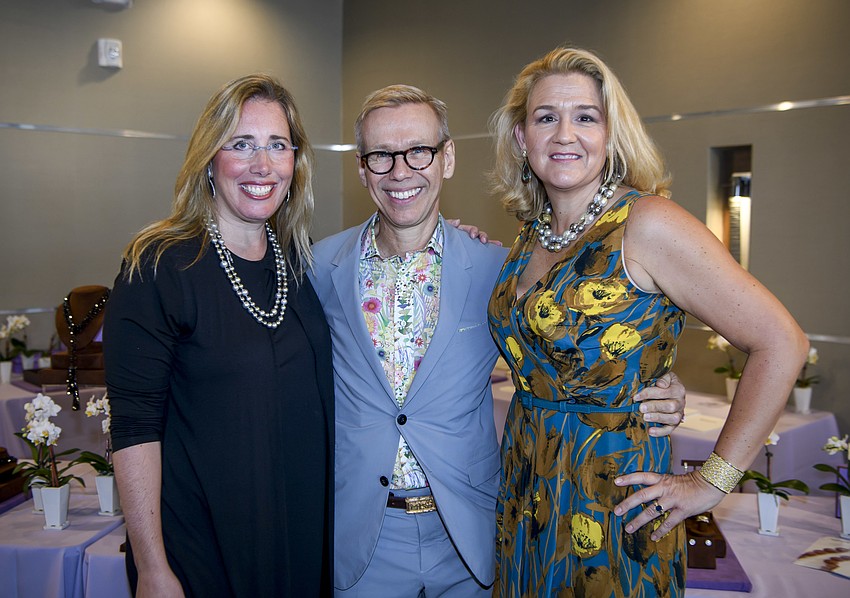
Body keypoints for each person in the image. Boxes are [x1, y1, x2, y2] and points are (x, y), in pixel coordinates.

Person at [310, 84, 687, 596]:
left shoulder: (500, 270)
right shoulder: (317, 268)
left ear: (447, 159)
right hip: (362, 535)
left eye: (420, 151)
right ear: (361, 168)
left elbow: (564, 346)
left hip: (472, 531)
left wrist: (658, 380)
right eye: (381, 156)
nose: (401, 171)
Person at [487, 46, 809, 596]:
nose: (565, 134)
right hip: (525, 487)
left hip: (613, 500)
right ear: (522, 139)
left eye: (586, 117)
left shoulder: (649, 224)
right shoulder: (529, 235)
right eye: (546, 118)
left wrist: (712, 482)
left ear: (611, 135)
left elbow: (783, 343)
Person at [104, 75, 334, 597]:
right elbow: (134, 427)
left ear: (296, 162)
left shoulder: (298, 262)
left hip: (301, 537)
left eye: (278, 145)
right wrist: (153, 567)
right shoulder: (160, 266)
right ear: (209, 160)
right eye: (241, 144)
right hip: (203, 547)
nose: (262, 165)